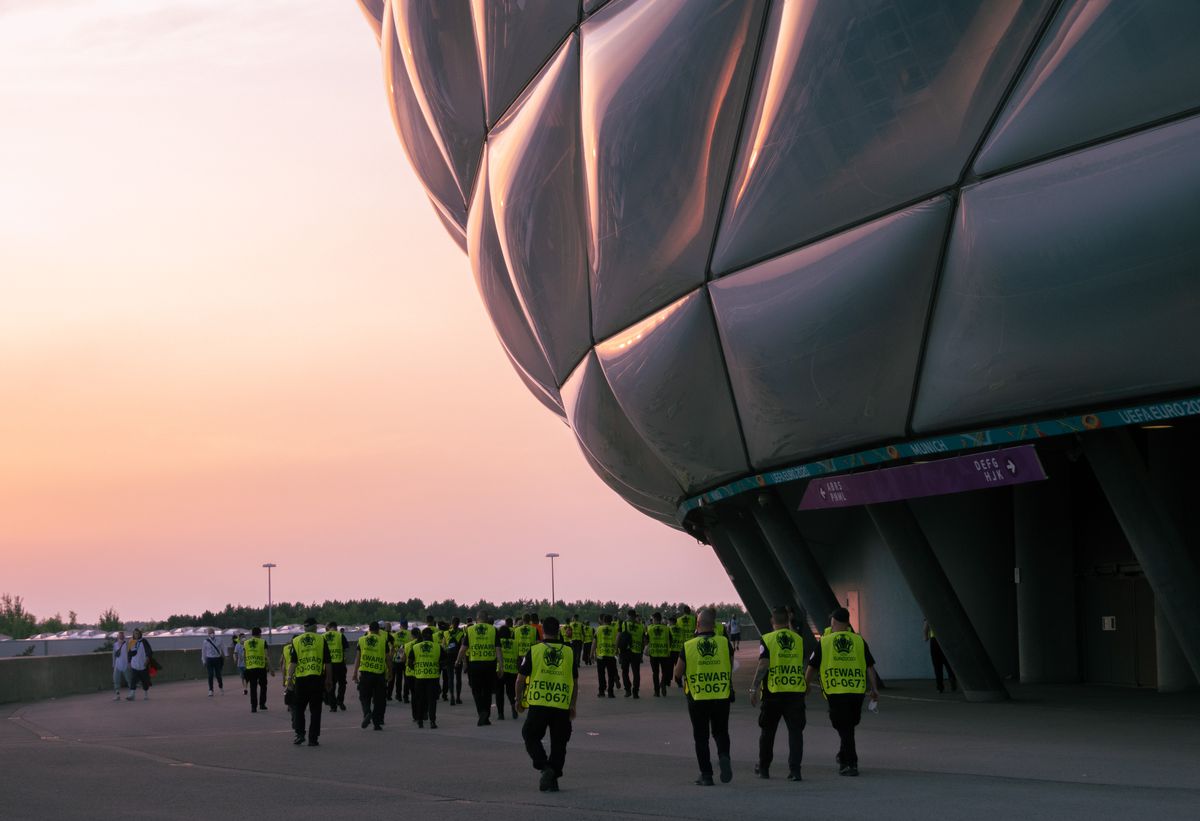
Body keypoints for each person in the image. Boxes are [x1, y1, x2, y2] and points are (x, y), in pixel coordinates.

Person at [805, 607, 879, 776]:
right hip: (856, 690)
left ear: (834, 622)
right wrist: (874, 688)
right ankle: (845, 757)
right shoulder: (859, 640)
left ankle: (850, 763)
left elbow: (812, 667)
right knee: (848, 725)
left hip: (836, 690)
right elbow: (870, 667)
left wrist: (806, 685)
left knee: (845, 725)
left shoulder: (825, 642)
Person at [516, 616, 578, 793]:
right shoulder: (569, 651)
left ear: (543, 631)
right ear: (558, 630)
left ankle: (545, 767)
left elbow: (520, 680)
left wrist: (518, 700)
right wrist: (573, 705)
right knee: (559, 742)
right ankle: (552, 772)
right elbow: (574, 681)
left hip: (539, 703)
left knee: (529, 734)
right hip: (561, 703)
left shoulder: (534, 650)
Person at [674, 607, 733, 786]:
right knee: (721, 731)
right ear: (713, 625)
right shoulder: (724, 643)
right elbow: (730, 666)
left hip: (698, 697)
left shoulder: (688, 646)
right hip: (721, 695)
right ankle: (723, 755)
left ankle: (706, 775)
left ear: (697, 624)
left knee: (701, 737)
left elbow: (678, 673)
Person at [751, 607, 807, 781]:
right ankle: (795, 771)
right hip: (795, 692)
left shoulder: (767, 639)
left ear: (772, 621)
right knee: (796, 732)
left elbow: (763, 664)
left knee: (768, 732)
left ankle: (764, 768)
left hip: (773, 693)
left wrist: (754, 687)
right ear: (787, 621)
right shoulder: (798, 639)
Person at [287, 617, 333, 747]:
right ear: (314, 627)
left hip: (301, 679)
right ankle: (313, 738)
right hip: (317, 679)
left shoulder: (296, 641)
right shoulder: (321, 640)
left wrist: (289, 679)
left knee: (299, 708)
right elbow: (328, 663)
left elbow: (293, 663)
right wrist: (329, 680)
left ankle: (300, 734)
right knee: (315, 710)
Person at [456, 611, 501, 726]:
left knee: (476, 690)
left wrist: (458, 660)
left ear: (477, 618)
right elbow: (498, 649)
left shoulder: (470, 630)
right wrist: (501, 665)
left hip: (475, 664)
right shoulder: (493, 630)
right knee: (487, 691)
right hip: (489, 664)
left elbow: (463, 648)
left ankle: (481, 712)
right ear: (486, 619)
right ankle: (486, 715)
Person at [352, 621, 391, 731]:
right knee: (379, 700)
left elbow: (358, 658)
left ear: (369, 629)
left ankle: (367, 713)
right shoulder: (383, 641)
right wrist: (390, 672)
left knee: (364, 697)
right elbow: (388, 658)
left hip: (365, 673)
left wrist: (355, 673)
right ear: (379, 630)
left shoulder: (362, 640)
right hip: (379, 674)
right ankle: (377, 723)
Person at [407, 626, 442, 728]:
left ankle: (420, 721)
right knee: (432, 700)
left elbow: (409, 663)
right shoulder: (437, 647)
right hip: (433, 677)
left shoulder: (415, 647)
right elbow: (444, 661)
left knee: (420, 699)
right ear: (431, 636)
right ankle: (432, 721)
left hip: (420, 677)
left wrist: (417, 669)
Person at [243, 627, 273, 713]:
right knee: (263, 686)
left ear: (252, 634)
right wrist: (271, 668)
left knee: (253, 687)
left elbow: (244, 656)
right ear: (260, 634)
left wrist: (246, 666)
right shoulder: (263, 642)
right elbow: (266, 656)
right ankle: (262, 704)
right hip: (261, 667)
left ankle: (253, 707)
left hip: (250, 667)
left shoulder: (246, 643)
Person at [618, 609, 646, 698]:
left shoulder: (624, 624)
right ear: (635, 616)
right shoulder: (641, 627)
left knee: (625, 672)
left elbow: (619, 636)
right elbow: (644, 641)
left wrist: (616, 648)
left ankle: (627, 690)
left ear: (628, 615)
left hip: (626, 651)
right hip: (637, 652)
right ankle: (635, 692)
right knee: (636, 673)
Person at [923, 619, 956, 693]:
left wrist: (925, 636)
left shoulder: (929, 613)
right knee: (948, 662)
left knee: (937, 664)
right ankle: (952, 678)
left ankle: (940, 687)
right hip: (946, 639)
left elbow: (926, 625)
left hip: (935, 641)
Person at [324, 620, 350, 712]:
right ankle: (340, 700)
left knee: (330, 684)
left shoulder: (323, 636)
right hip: (339, 663)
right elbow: (346, 649)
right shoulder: (340, 635)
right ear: (336, 627)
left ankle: (333, 706)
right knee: (342, 683)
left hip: (328, 665)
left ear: (329, 627)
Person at [496, 621, 519, 719]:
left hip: (500, 670)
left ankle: (501, 714)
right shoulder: (515, 643)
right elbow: (518, 657)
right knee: (511, 692)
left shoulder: (498, 642)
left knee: (499, 693)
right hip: (512, 671)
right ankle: (513, 707)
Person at [592, 613, 618, 698]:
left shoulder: (598, 629)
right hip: (611, 655)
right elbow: (616, 642)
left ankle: (601, 691)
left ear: (603, 620)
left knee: (601, 674)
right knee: (611, 675)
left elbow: (595, 642)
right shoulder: (614, 630)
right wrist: (616, 651)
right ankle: (611, 692)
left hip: (601, 655)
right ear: (611, 621)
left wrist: (591, 653)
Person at [646, 612, 672, 697]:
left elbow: (646, 640)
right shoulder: (666, 629)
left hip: (654, 654)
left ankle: (656, 692)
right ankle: (663, 683)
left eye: (652, 619)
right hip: (664, 654)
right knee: (665, 672)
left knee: (655, 673)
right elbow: (671, 640)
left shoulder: (649, 628)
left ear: (655, 619)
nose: (652, 621)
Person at [126, 629, 154, 700]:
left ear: (140, 634)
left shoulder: (144, 641)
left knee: (145, 680)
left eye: (138, 634)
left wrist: (147, 660)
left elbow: (149, 651)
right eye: (135, 634)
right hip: (134, 664)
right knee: (133, 680)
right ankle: (132, 694)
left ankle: (146, 694)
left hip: (143, 665)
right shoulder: (131, 642)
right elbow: (129, 653)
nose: (136, 635)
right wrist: (129, 662)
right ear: (133, 634)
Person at [201, 627, 225, 697]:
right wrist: (203, 660)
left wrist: (226, 654)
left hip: (217, 659)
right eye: (210, 633)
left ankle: (221, 687)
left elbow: (223, 647)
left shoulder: (219, 640)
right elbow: (203, 652)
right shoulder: (205, 641)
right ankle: (210, 690)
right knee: (210, 675)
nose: (211, 634)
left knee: (218, 675)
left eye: (212, 632)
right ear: (208, 634)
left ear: (214, 633)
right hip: (209, 659)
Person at [111, 630, 131, 701]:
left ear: (124, 636)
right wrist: (113, 664)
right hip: (118, 664)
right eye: (120, 635)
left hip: (125, 664)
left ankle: (131, 694)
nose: (121, 636)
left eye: (122, 635)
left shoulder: (127, 644)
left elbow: (129, 654)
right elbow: (114, 655)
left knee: (129, 679)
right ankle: (117, 694)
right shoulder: (115, 644)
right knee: (116, 680)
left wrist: (129, 663)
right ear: (117, 636)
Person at [667, 615, 685, 689]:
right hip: (679, 650)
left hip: (671, 650)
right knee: (678, 667)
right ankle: (679, 682)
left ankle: (668, 681)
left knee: (669, 667)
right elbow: (683, 639)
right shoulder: (681, 629)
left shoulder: (669, 629)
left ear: (671, 622)